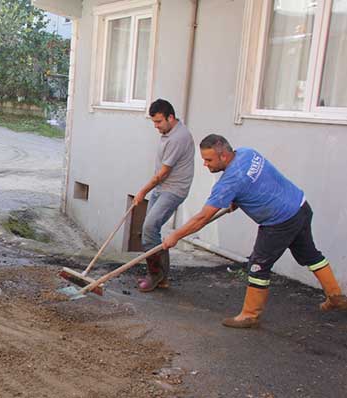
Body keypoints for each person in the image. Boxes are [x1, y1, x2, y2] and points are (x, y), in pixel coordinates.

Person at [162, 134, 347, 328]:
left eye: (208, 160)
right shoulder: (247, 153)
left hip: (279, 222)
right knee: (310, 255)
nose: (205, 164)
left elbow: (202, 218)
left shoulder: (229, 183)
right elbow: (256, 182)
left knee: (258, 265)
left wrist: (175, 235)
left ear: (224, 156)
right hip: (300, 206)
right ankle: (334, 295)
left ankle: (250, 315)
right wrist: (236, 199)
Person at [133, 99, 195, 292]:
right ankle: (161, 277)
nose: (156, 126)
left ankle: (155, 275)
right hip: (161, 188)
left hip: (173, 189)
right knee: (150, 230)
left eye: (159, 122)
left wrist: (142, 191)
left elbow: (163, 173)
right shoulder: (170, 131)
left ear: (170, 117)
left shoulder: (179, 137)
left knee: (150, 228)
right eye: (154, 122)